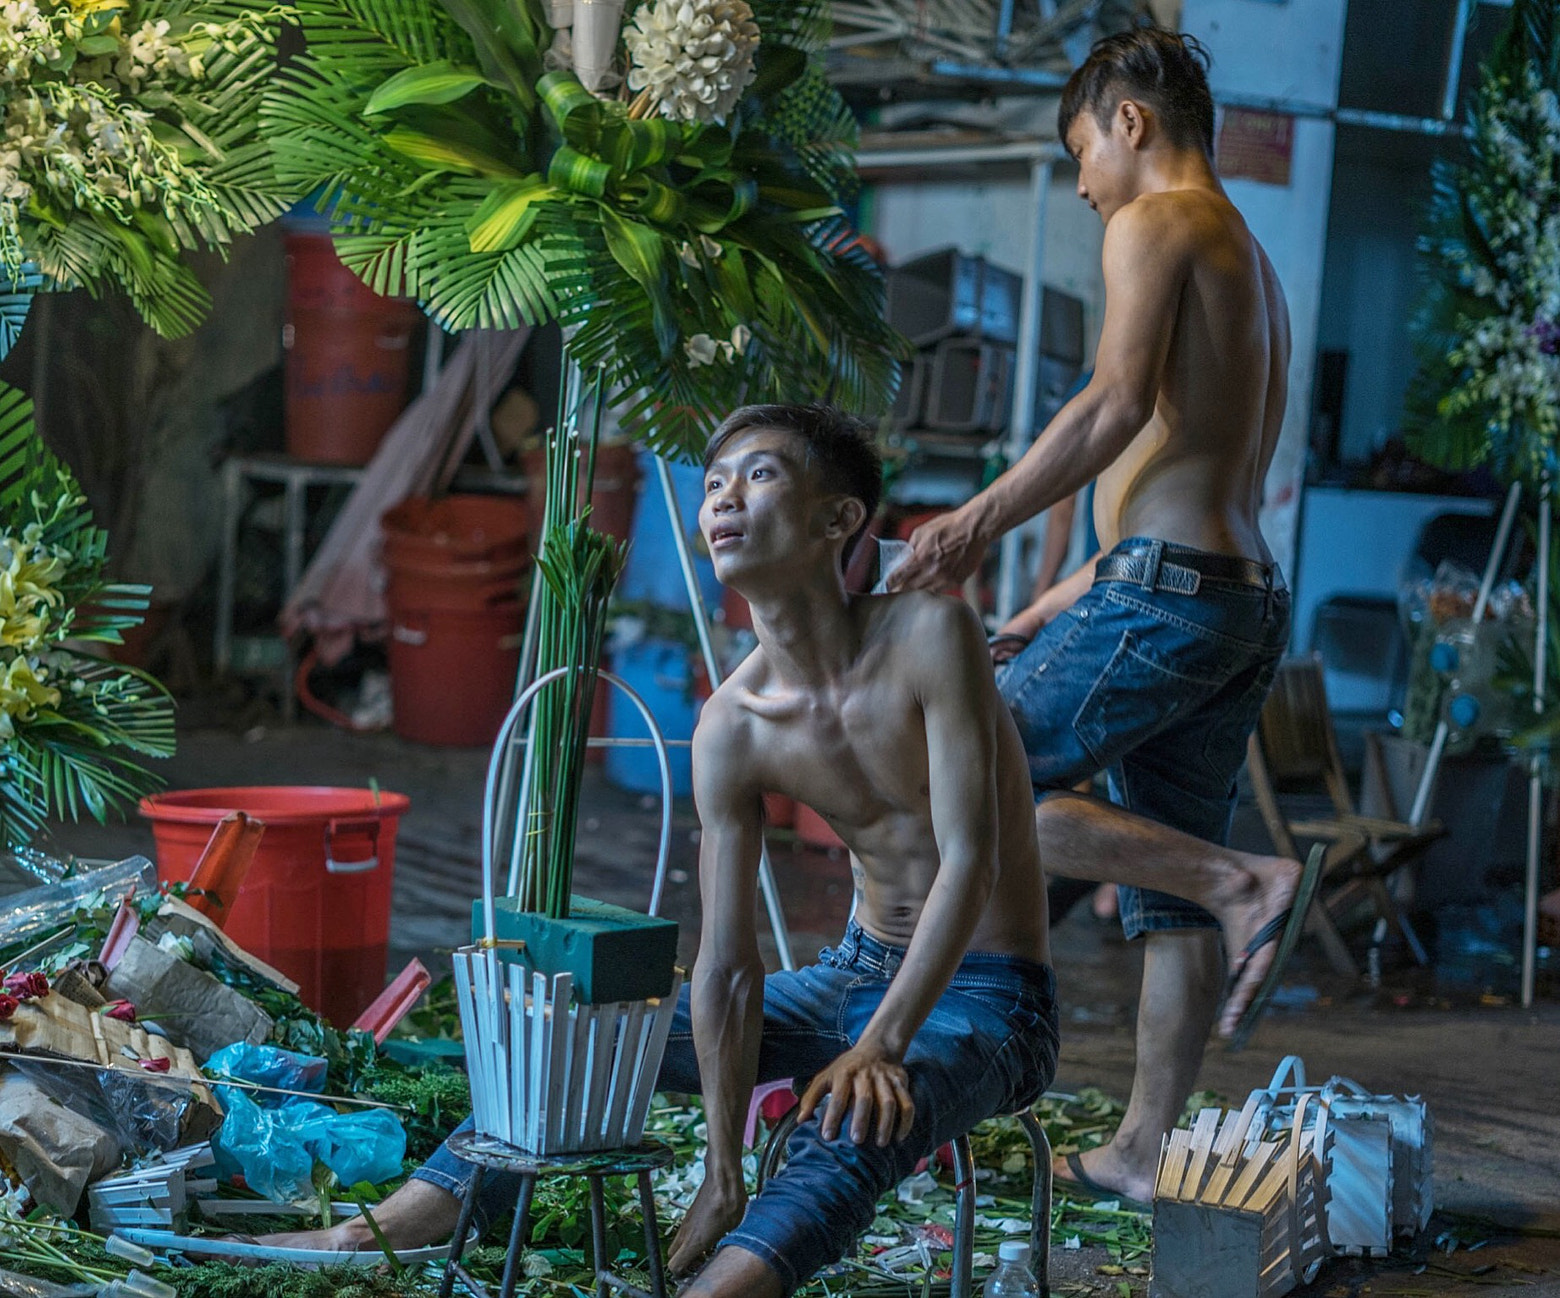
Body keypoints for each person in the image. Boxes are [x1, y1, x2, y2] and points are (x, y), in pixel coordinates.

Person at [258, 404, 1058, 1297]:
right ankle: (371, 1235)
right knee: (573, 1045)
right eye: (713, 483)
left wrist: (881, 1043)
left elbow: (971, 861)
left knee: (848, 1121)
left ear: (840, 520)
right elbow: (725, 969)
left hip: (987, 996)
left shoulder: (929, 634)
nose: (723, 498)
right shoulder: (732, 725)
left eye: (758, 476)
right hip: (852, 972)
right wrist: (721, 1166)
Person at [888, 27, 1306, 1204]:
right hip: (1233, 595)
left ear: (1129, 120)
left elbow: (1112, 407)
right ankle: (1141, 1150)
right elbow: (1191, 472)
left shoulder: (1154, 221)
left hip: (1168, 593)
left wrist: (971, 522)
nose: (1078, 184)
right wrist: (1045, 603)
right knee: (1158, 896)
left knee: (960, 782)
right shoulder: (1248, 259)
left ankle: (1241, 881)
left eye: (1079, 149)